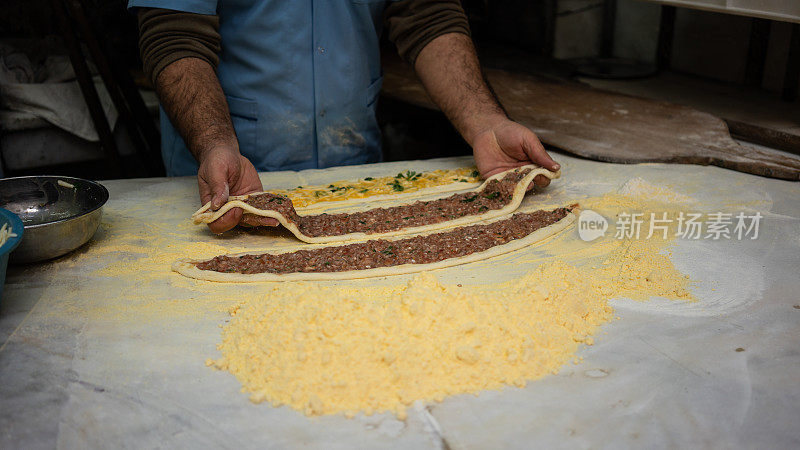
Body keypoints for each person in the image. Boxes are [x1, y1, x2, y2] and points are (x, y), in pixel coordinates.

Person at [132, 0, 559, 233]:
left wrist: (485, 122)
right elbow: (175, 33)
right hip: (232, 176)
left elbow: (426, 14)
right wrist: (215, 143)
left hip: (356, 175)